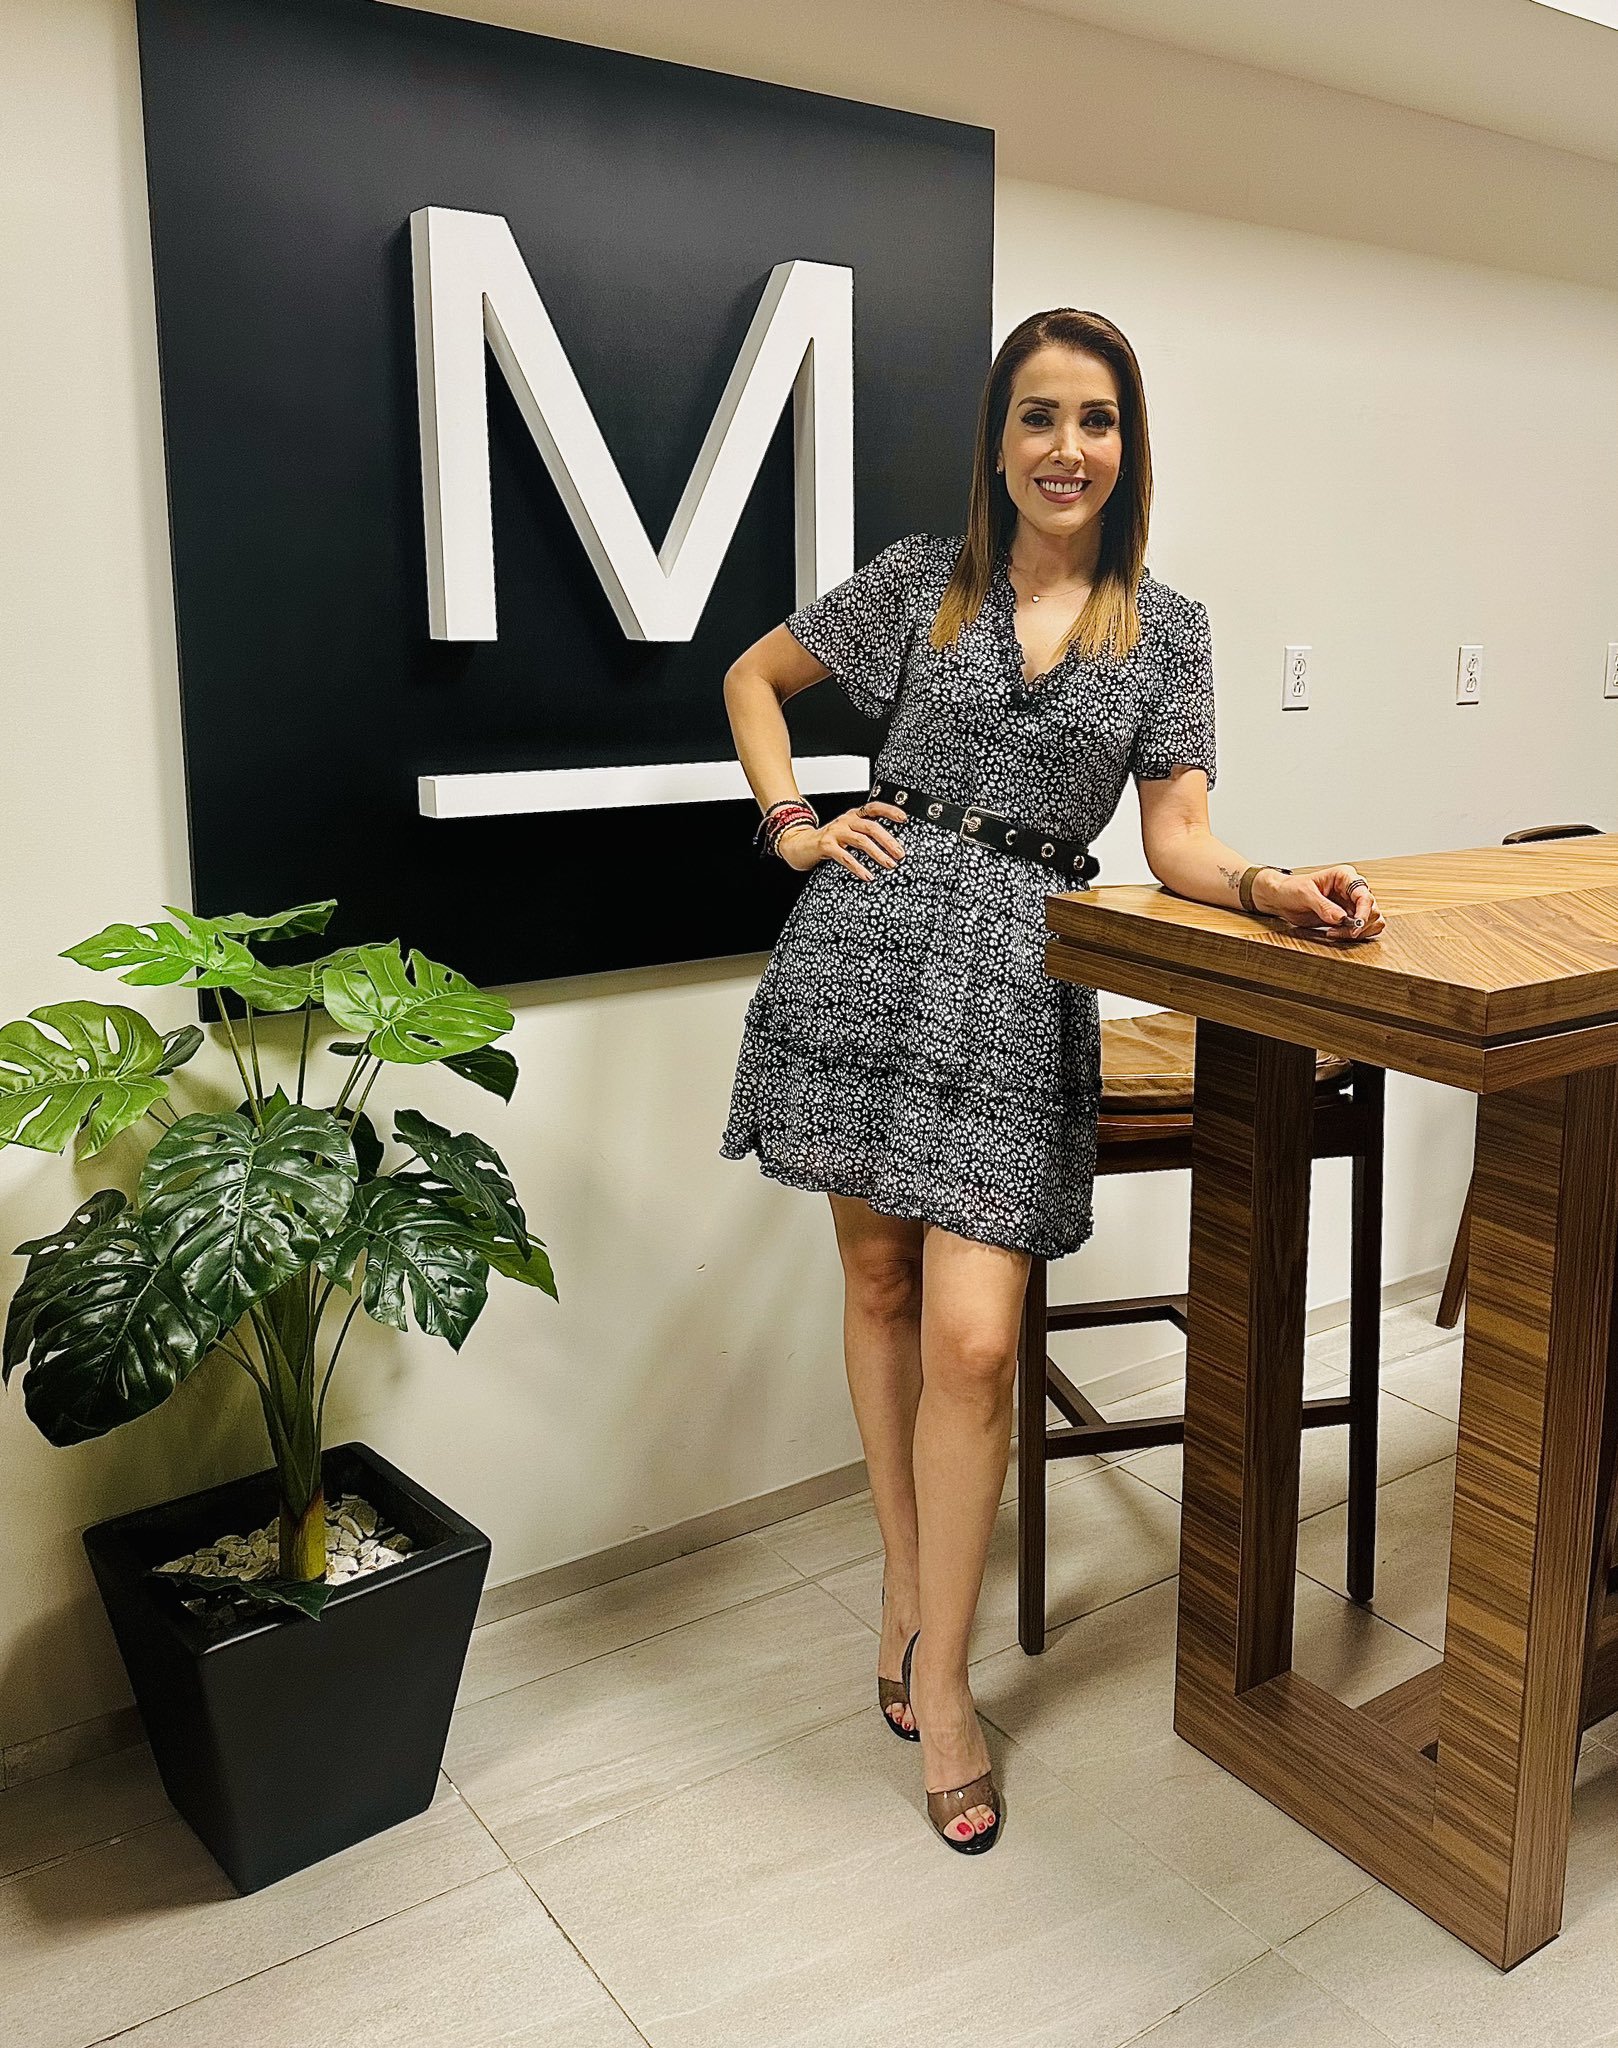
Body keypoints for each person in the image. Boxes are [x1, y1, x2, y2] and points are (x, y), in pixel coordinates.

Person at [720, 307, 1384, 1855]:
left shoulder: (1167, 627)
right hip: (865, 949)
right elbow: (752, 678)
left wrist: (1267, 886)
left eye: (1094, 420)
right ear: (998, 439)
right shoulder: (918, 580)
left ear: (1125, 446)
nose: (1065, 447)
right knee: (880, 1286)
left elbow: (1176, 838)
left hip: (1023, 972)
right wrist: (791, 823)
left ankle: (940, 1671)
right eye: (1037, 416)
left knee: (972, 1341)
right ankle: (909, 1597)